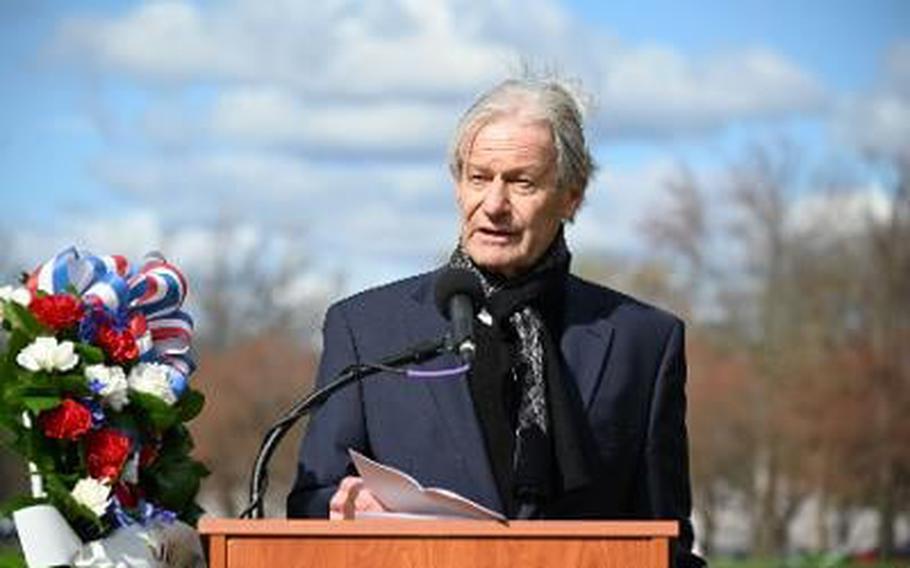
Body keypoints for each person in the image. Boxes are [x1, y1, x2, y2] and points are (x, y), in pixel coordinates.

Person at [287, 77, 705, 567]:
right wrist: (343, 510)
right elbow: (312, 505)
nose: (494, 205)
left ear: (572, 196)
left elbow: (664, 542)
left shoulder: (644, 342)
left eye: (521, 182)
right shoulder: (365, 329)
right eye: (479, 178)